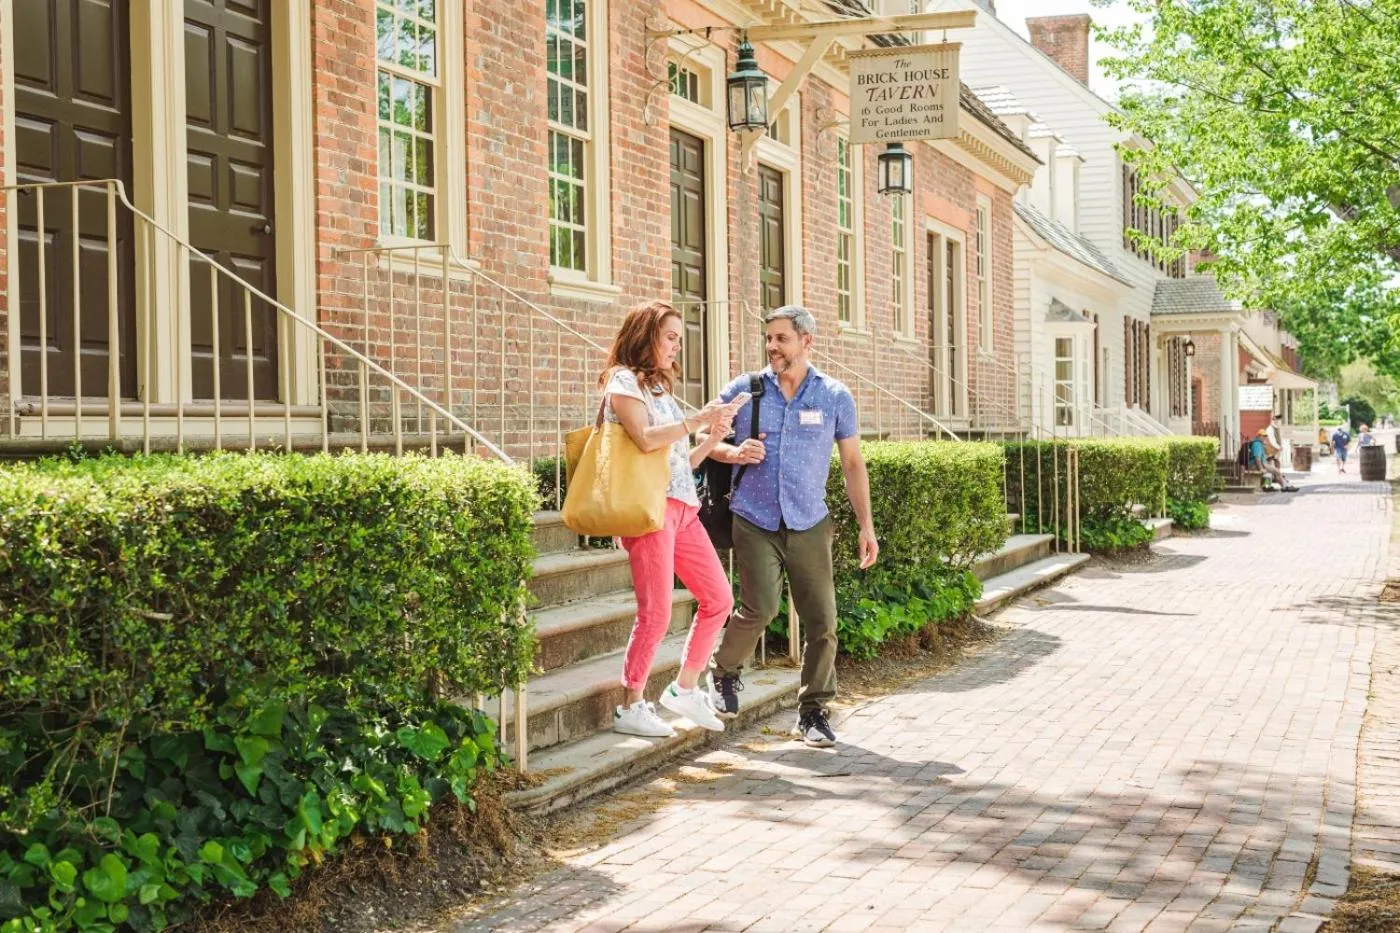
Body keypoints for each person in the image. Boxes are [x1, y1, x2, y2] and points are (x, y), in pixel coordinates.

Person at [700, 305, 879, 748]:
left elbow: (853, 463)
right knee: (760, 608)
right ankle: (722, 673)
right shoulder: (746, 390)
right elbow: (704, 439)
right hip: (754, 517)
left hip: (809, 520)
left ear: (806, 342)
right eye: (768, 338)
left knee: (823, 621)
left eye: (781, 338)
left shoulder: (833, 395)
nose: (771, 346)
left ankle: (814, 711)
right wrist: (734, 452)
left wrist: (865, 526)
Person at [598, 300, 748, 738]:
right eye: (670, 336)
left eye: (679, 338)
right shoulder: (621, 381)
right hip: (651, 510)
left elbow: (684, 460)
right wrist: (696, 419)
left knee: (719, 599)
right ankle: (631, 705)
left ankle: (684, 689)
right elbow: (645, 441)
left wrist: (713, 435)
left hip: (684, 508)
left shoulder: (659, 389)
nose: (676, 346)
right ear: (646, 335)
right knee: (656, 613)